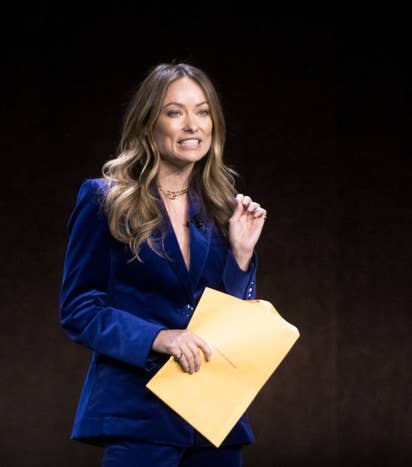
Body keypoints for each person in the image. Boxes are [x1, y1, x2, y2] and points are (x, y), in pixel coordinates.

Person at [58, 63, 267, 466]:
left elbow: (228, 321)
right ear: (148, 123)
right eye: (175, 112)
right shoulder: (104, 200)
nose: (192, 125)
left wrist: (240, 257)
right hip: (139, 414)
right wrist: (160, 337)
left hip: (214, 418)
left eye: (202, 112)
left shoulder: (221, 208)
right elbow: (79, 310)